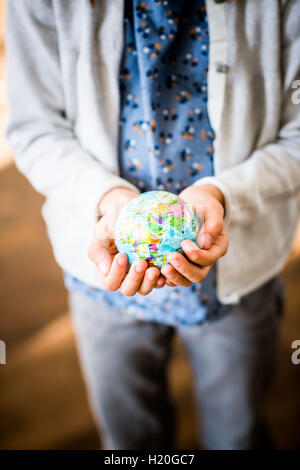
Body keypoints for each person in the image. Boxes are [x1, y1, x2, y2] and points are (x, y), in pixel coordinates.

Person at [6, 0, 300, 450]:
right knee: (129, 436)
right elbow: (33, 128)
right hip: (105, 276)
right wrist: (106, 198)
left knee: (238, 429)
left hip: (239, 272)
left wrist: (222, 194)